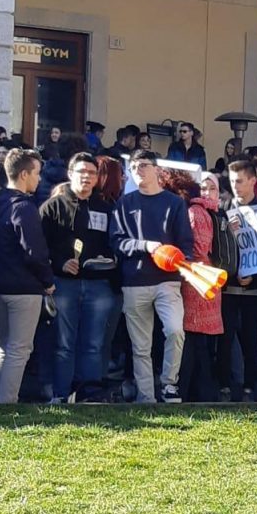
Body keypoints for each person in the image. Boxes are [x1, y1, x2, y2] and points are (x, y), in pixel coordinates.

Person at [109, 149, 193, 403]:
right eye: (134, 167)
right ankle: (146, 397)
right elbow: (116, 241)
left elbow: (186, 242)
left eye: (144, 165)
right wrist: (144, 245)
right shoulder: (124, 204)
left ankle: (169, 384)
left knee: (175, 330)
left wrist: (182, 263)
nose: (138, 171)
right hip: (134, 281)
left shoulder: (174, 203)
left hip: (167, 280)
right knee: (140, 346)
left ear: (157, 170)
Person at [39, 151, 117, 402]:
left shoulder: (105, 209)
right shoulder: (53, 206)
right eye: (82, 172)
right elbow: (39, 246)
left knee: (94, 345)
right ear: (70, 174)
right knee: (63, 345)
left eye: (91, 173)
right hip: (64, 285)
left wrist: (108, 260)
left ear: (97, 179)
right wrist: (60, 262)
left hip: (98, 286)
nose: (86, 177)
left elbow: (113, 244)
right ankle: (61, 394)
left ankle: (89, 396)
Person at [159, 168, 223, 401]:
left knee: (193, 342)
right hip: (206, 280)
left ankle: (192, 392)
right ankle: (201, 393)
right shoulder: (205, 210)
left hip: (196, 281)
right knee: (199, 343)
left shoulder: (194, 213)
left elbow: (198, 250)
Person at [0, 148, 54, 402]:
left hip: (1, 286)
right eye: (37, 173)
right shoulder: (24, 207)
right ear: (24, 174)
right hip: (23, 288)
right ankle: (7, 403)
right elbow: (34, 252)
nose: (39, 179)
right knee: (19, 349)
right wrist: (48, 281)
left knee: (4, 347)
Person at [221, 159, 257, 401]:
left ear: (252, 181)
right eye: (231, 181)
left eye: (239, 181)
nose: (235, 186)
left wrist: (255, 277)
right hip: (227, 287)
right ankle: (224, 386)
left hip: (254, 289)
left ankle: (249, 387)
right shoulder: (223, 209)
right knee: (225, 339)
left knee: (251, 339)